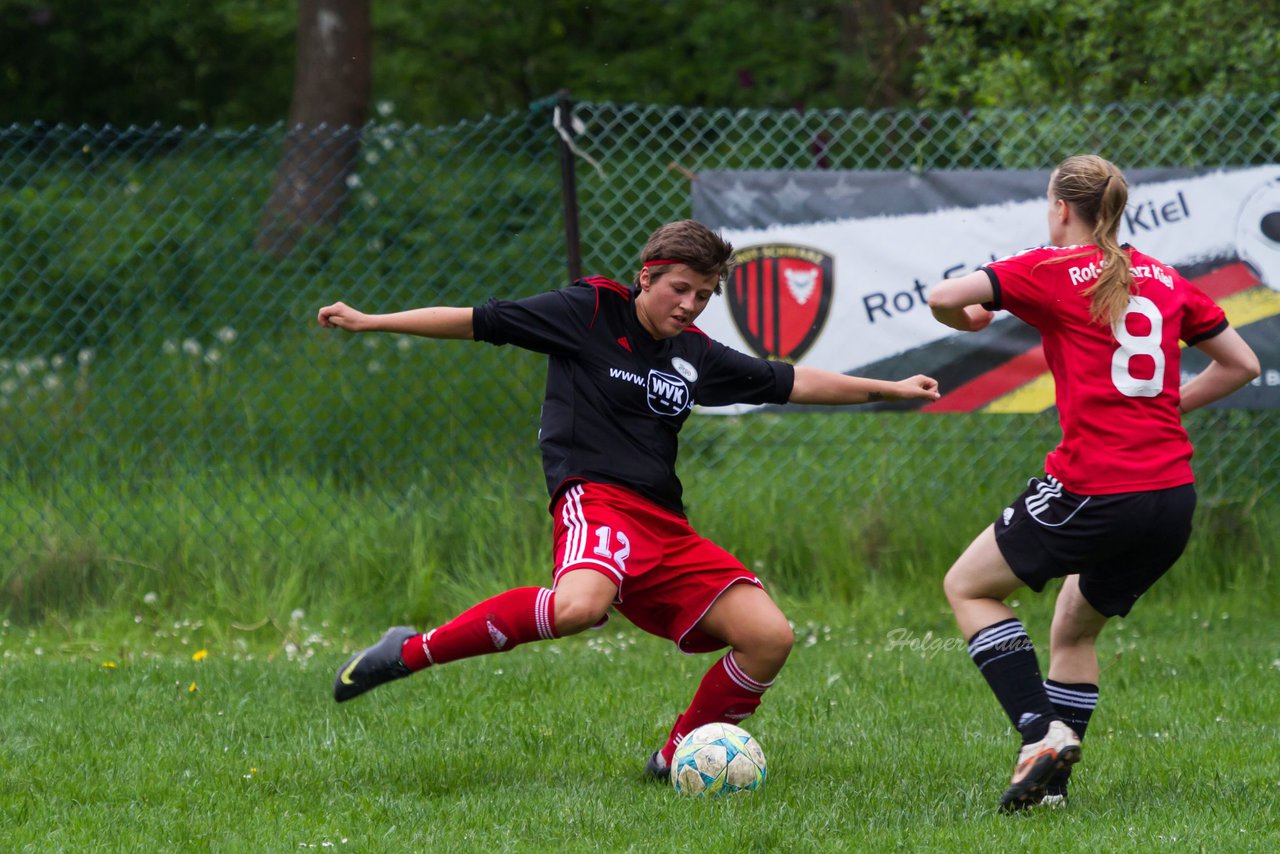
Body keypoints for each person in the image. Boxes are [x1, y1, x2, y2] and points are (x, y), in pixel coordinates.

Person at [319, 219, 941, 779]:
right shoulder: (590, 311)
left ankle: (675, 760)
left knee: (769, 636)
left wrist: (889, 386)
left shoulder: (692, 353)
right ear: (647, 277)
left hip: (665, 525)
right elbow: (480, 320)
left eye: (703, 295)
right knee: (577, 607)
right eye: (680, 289)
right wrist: (372, 320)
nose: (690, 305)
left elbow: (792, 379)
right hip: (596, 499)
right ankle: (404, 654)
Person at [927, 154, 1261, 811]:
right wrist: (1166, 407)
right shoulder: (1164, 277)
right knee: (1075, 628)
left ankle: (1037, 732)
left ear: (1060, 209)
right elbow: (1242, 364)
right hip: (1170, 499)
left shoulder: (1050, 270)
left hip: (1096, 486)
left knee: (967, 587)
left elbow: (945, 297)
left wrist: (962, 321)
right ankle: (1051, 787)